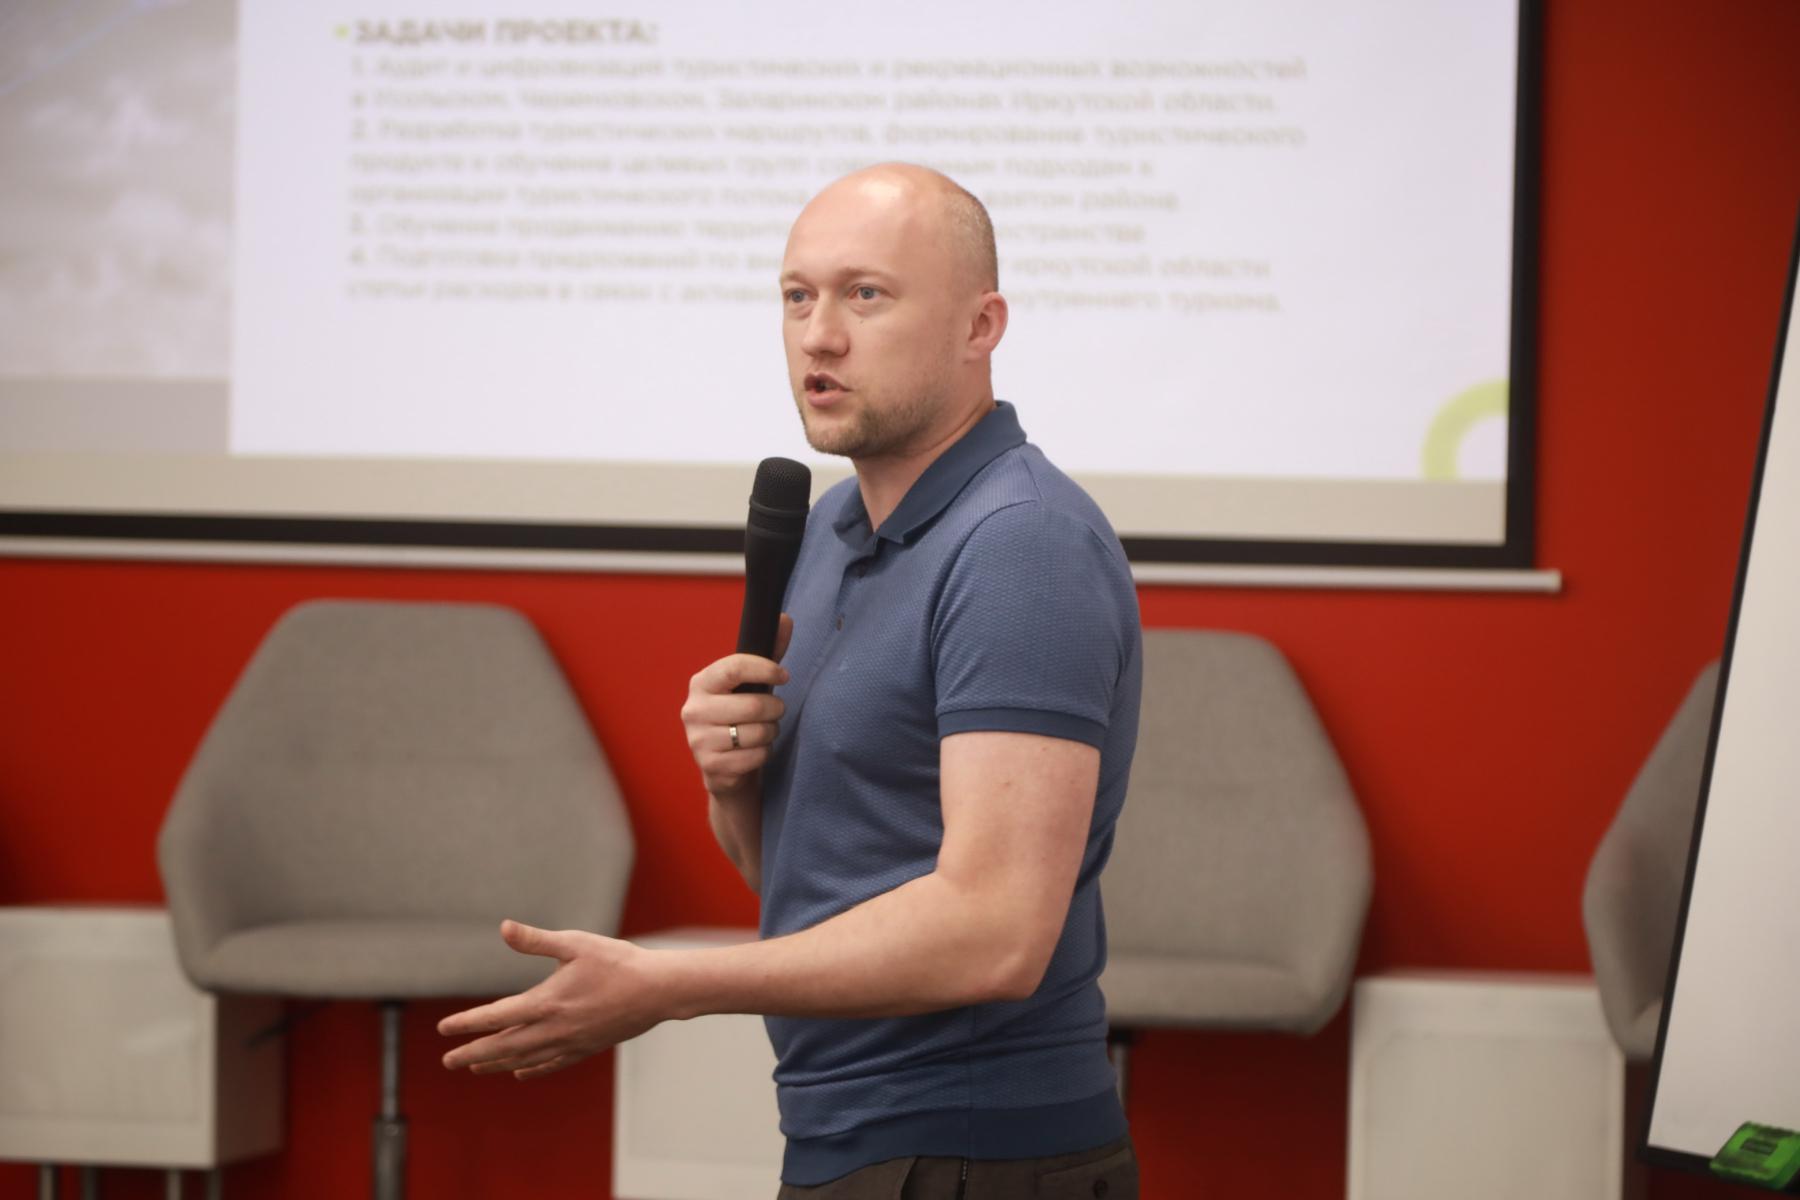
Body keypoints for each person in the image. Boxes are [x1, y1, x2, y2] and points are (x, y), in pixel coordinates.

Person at [438, 163, 1143, 1199]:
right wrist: (734, 783)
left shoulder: (1020, 545)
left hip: (979, 1151)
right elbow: (810, 887)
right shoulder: (828, 528)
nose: (819, 336)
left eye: (866, 295)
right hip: (840, 1139)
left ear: (980, 326)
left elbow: (995, 934)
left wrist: (669, 984)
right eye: (797, 296)